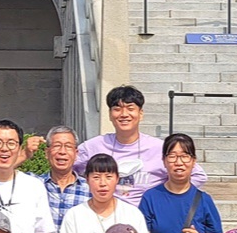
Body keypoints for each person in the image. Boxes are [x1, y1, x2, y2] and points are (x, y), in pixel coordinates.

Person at [75, 85, 208, 206]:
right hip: (106, 217)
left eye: (130, 108)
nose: (124, 114)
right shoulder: (93, 146)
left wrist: (166, 199)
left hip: (147, 220)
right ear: (110, 114)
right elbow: (67, 171)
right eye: (117, 109)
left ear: (141, 114)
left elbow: (198, 176)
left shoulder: (159, 148)